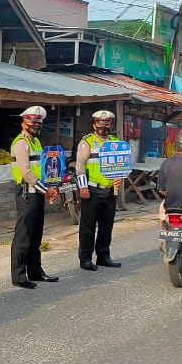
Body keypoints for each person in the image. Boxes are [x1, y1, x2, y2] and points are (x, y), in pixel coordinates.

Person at [10, 105, 59, 288]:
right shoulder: (21, 143)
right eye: (33, 122)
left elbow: (42, 168)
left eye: (39, 123)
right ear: (24, 123)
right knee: (24, 235)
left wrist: (51, 185)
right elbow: (26, 173)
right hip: (26, 194)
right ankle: (19, 276)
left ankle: (35, 271)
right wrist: (45, 190)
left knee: (36, 235)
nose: (36, 126)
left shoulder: (36, 142)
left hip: (37, 193)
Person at [75, 109, 122, 270]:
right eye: (100, 123)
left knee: (106, 226)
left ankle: (103, 256)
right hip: (92, 190)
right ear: (94, 125)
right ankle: (85, 258)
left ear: (111, 125)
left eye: (107, 123)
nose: (104, 126)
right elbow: (80, 166)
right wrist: (83, 187)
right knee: (88, 226)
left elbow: (121, 165)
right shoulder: (87, 142)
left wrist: (120, 178)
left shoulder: (116, 142)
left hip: (110, 191)